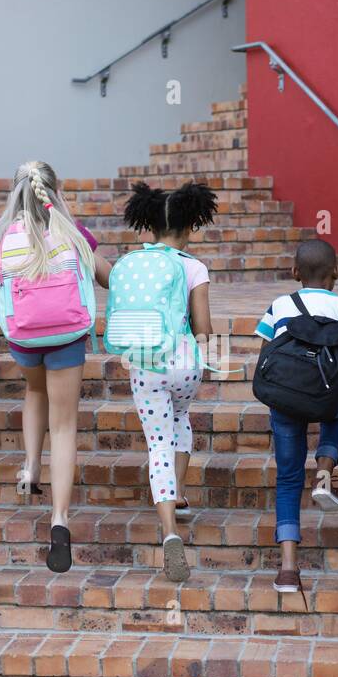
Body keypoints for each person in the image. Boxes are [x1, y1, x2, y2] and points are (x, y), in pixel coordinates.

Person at [0, 161, 112, 572]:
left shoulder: (3, 238)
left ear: (15, 195)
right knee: (64, 426)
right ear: (55, 192)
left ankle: (30, 465)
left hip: (23, 338)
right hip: (67, 338)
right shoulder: (71, 231)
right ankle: (60, 520)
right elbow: (107, 276)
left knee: (34, 390)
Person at [255, 239, 338, 594]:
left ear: (295, 272)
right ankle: (324, 471)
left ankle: (289, 569)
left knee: (288, 480)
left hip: (284, 402)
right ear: (336, 273)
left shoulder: (280, 305)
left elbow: (266, 353)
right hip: (325, 398)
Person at [116, 181, 216, 581]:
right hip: (185, 363)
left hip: (145, 362)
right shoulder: (193, 266)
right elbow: (204, 327)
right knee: (181, 419)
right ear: (191, 226)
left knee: (158, 442)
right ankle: (179, 492)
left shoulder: (135, 260)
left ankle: (170, 531)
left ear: (149, 226)